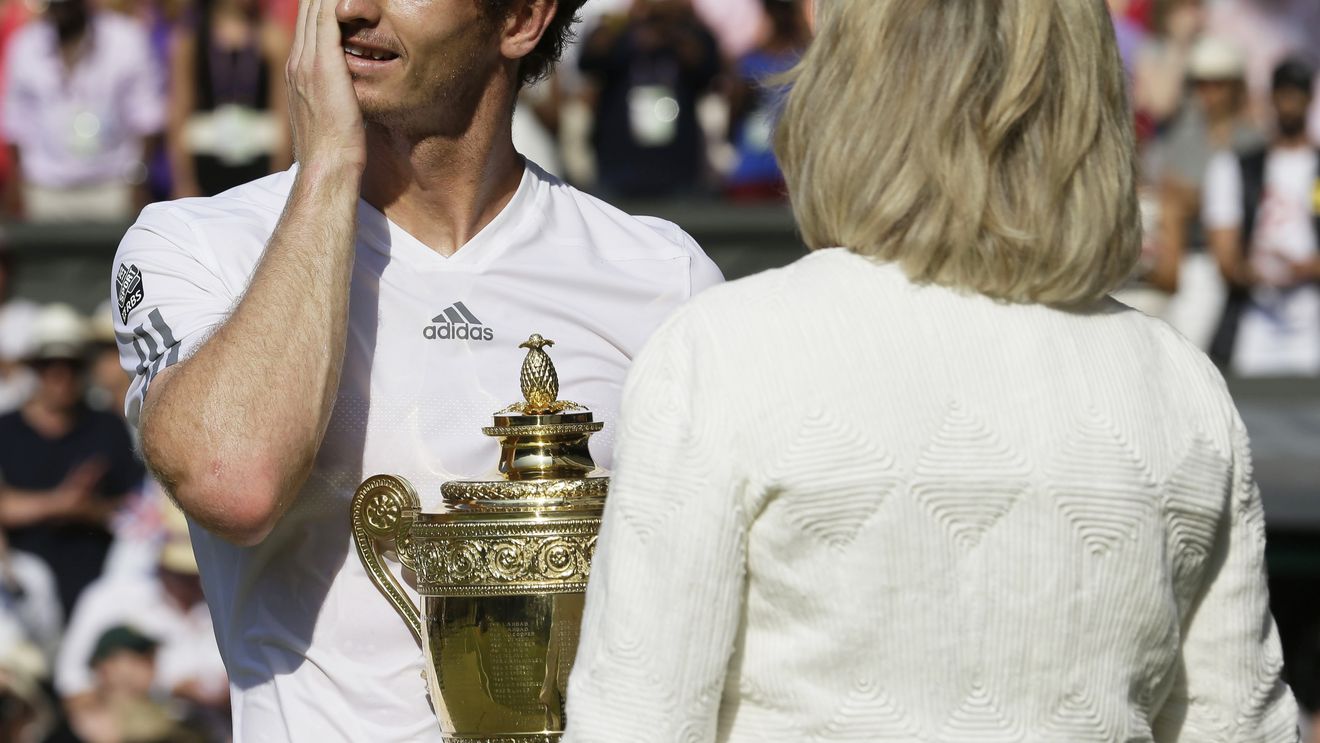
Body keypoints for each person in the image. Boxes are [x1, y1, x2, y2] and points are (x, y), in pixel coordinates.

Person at [563, 0, 1298, 740]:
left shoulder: (721, 352)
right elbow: (1237, 725)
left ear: (847, 88)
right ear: (1089, 97)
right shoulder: (1179, 386)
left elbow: (634, 718)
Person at [110, 0, 722, 739]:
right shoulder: (197, 244)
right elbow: (233, 479)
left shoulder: (664, 274)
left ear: (521, 20)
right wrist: (330, 163)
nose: (348, 10)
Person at [0, 304, 142, 616]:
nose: (59, 375)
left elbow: (136, 506)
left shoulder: (106, 427)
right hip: (21, 594)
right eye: (49, 364)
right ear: (34, 368)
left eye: (70, 364)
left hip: (97, 586)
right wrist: (59, 503)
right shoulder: (6, 429)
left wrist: (91, 510)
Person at [1204, 58, 1319, 377]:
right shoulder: (1236, 168)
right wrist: (1254, 269)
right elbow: (1225, 253)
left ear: (1310, 99)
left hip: (1311, 326)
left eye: (1297, 95)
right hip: (1254, 325)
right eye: (1283, 95)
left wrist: (1308, 267)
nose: (1289, 105)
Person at [0, 0, 164, 221]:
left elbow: (147, 117)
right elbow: (16, 123)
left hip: (112, 187)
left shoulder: (126, 39)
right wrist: (18, 184)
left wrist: (138, 178)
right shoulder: (26, 44)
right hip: (45, 189)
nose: (61, 9)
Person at [1151, 36, 1263, 351]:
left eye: (1218, 84)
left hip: (1217, 263)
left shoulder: (1253, 142)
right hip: (1176, 259)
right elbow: (1161, 192)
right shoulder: (1178, 138)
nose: (1208, 93)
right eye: (1200, 84)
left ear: (1236, 88)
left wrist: (1192, 197)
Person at [579, 0, 722, 197]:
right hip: (619, 169)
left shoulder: (690, 32)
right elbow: (590, 58)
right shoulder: (619, 31)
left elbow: (706, 66)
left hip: (678, 171)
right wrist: (630, 18)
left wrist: (671, 26)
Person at [166, 0, 291, 197]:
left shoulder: (272, 39)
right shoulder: (191, 39)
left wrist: (277, 184)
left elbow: (284, 117)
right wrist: (183, 181)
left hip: (259, 172)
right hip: (205, 170)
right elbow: (179, 111)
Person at [725, 0, 807, 201]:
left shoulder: (808, 60)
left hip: (794, 175)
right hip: (754, 175)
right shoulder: (748, 62)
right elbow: (731, 120)